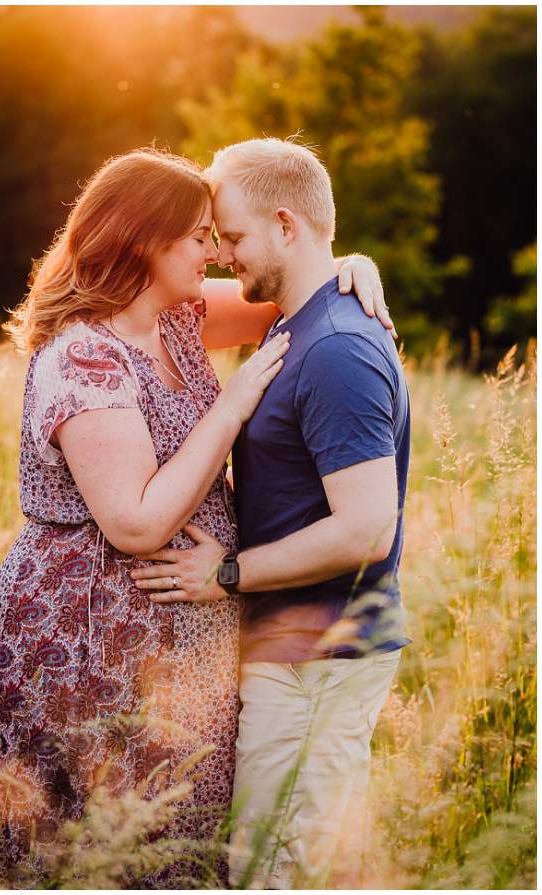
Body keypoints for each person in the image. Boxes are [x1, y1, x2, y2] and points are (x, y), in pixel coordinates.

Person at [0, 147, 392, 887]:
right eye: (201, 236)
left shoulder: (177, 318)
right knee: (104, 847)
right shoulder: (84, 357)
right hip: (86, 643)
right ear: (143, 240)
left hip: (182, 638)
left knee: (179, 846)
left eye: (219, 234)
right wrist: (232, 405)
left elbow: (294, 285)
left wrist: (356, 263)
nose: (218, 254)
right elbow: (136, 524)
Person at [130, 139, 410, 888]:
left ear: (287, 225)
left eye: (233, 236)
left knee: (284, 869)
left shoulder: (337, 349)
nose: (221, 255)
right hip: (291, 653)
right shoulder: (292, 321)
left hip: (322, 655)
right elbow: (138, 298)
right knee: (268, 860)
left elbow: (366, 527)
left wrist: (225, 573)